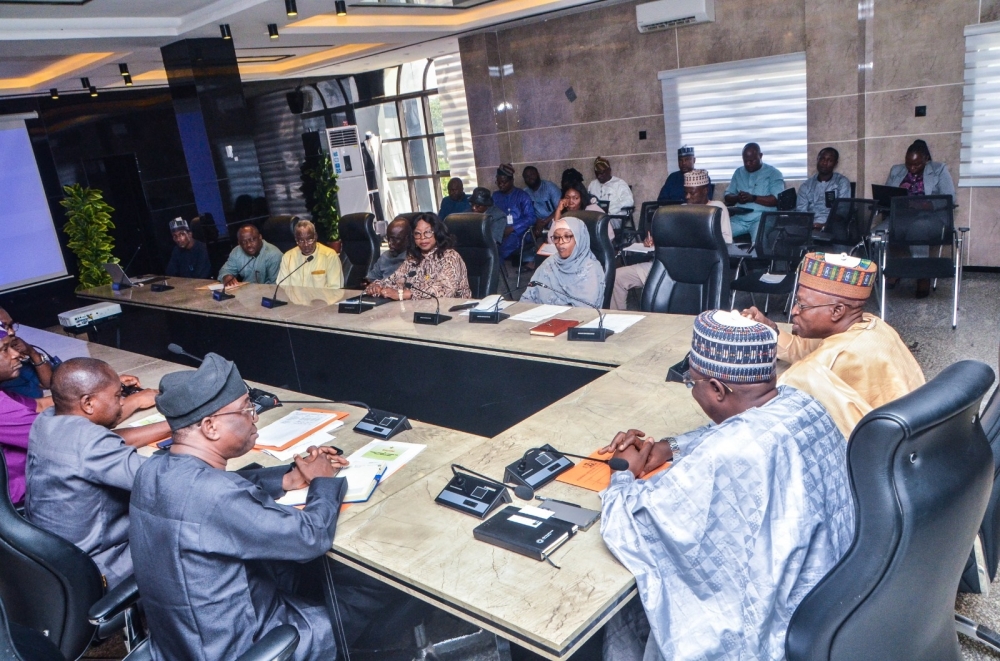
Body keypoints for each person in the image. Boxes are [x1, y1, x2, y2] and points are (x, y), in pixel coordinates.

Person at [599, 309, 854, 661]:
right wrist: (671, 447)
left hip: (776, 626)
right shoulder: (803, 403)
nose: (692, 390)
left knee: (633, 602)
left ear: (717, 389)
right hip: (834, 595)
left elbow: (633, 524)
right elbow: (741, 427)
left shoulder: (728, 455)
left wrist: (622, 471)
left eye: (692, 383)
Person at [128, 353, 352, 660]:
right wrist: (322, 482)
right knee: (358, 593)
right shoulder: (216, 496)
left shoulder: (152, 469)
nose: (255, 416)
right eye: (247, 408)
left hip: (182, 641)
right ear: (210, 426)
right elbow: (310, 537)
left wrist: (286, 479)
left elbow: (221, 487)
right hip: (240, 645)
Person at [743, 251, 925, 439]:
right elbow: (807, 349)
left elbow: (765, 398)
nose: (794, 311)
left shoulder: (829, 362)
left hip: (878, 449)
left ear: (837, 311)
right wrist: (770, 330)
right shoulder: (873, 325)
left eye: (802, 305)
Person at [25, 358, 171, 588]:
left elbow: (99, 444)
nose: (122, 403)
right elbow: (165, 482)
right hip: (98, 566)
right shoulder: (89, 443)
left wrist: (174, 426)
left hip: (54, 561)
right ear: (88, 403)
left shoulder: (46, 421)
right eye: (116, 396)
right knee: (188, 526)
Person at [611, 170, 731, 310]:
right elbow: (666, 239)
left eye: (692, 193)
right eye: (686, 192)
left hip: (699, 269)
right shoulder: (679, 210)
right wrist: (653, 241)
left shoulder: (717, 208)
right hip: (666, 267)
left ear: (705, 190)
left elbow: (727, 243)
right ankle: (619, 323)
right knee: (617, 277)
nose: (687, 197)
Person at [884, 139, 956, 298]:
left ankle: (922, 276)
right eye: (908, 163)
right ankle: (894, 269)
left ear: (926, 159)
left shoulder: (939, 169)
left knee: (919, 229)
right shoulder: (896, 170)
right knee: (878, 233)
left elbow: (950, 197)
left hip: (927, 217)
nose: (911, 168)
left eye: (916, 164)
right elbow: (887, 194)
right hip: (901, 215)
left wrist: (924, 205)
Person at [364, 213, 472, 300]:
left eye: (428, 232)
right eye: (417, 234)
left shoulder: (450, 256)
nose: (423, 238)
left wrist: (403, 294)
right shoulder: (413, 257)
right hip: (419, 311)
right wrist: (377, 286)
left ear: (437, 233)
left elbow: (444, 290)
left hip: (452, 315)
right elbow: (395, 279)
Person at [520, 217, 605, 308]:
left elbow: (584, 311)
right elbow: (528, 297)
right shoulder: (549, 263)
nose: (560, 242)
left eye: (567, 236)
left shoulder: (591, 268)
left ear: (579, 238)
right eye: (556, 237)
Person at [724, 143, 785, 240]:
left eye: (752, 160)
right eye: (745, 161)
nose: (748, 164)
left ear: (760, 156)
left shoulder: (774, 173)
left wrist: (753, 198)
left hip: (762, 218)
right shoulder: (738, 172)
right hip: (739, 219)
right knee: (719, 235)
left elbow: (776, 200)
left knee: (757, 242)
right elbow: (727, 195)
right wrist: (737, 198)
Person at [535, 182, 604, 257]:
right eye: (567, 198)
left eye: (575, 198)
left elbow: (608, 237)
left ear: (582, 198)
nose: (571, 202)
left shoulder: (592, 210)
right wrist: (558, 211)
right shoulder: (564, 215)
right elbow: (551, 240)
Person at [0, 308, 54, 398]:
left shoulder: (15, 357)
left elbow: (48, 383)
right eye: (5, 326)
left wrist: (31, 352)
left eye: (11, 325)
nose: (12, 332)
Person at [277, 220, 343, 289]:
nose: (306, 245)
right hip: (294, 299)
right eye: (301, 241)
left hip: (322, 299)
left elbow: (335, 289)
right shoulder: (288, 257)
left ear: (316, 237)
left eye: (309, 240)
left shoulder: (329, 256)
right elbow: (282, 288)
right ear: (296, 240)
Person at [494, 164, 537, 268]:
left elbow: (531, 218)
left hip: (520, 233)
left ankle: (496, 271)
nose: (501, 185)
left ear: (511, 181)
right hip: (500, 232)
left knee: (501, 248)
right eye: (498, 182)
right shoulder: (495, 196)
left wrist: (513, 228)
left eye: (504, 182)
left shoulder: (522, 196)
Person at [797, 147, 852, 228]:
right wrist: (811, 226)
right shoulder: (806, 185)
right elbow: (801, 213)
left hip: (833, 227)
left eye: (830, 160)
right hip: (810, 227)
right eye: (822, 159)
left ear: (835, 163)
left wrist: (824, 226)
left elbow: (842, 212)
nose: (825, 163)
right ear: (817, 159)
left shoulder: (841, 182)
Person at [218, 225, 283, 286]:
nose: (248, 245)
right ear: (239, 243)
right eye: (243, 242)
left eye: (252, 240)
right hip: (245, 292)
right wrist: (226, 276)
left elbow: (275, 285)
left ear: (260, 237)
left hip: (266, 293)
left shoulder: (273, 254)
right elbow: (225, 270)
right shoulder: (237, 252)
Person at [588, 157, 634, 228]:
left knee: (601, 224)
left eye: (602, 173)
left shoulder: (619, 183)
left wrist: (615, 207)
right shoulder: (592, 184)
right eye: (597, 173)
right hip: (595, 218)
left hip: (613, 218)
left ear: (609, 171)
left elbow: (629, 201)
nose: (599, 176)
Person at [366, 217, 411, 281]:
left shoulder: (417, 259)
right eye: (388, 238)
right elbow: (370, 279)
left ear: (407, 239)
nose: (390, 243)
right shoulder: (385, 257)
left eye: (395, 239)